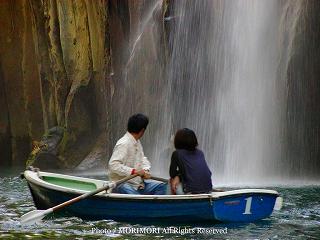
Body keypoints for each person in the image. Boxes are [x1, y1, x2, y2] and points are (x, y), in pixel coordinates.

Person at [108, 113, 167, 195]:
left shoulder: (137, 142)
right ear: (142, 130)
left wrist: (146, 170)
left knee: (162, 186)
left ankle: (152, 207)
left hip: (138, 185)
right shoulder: (123, 144)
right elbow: (113, 165)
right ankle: (142, 205)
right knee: (134, 194)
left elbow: (142, 159)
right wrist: (134, 171)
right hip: (121, 184)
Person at [169, 128, 212, 194]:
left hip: (190, 191)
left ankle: (173, 202)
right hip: (208, 190)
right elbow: (208, 173)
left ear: (178, 140)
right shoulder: (200, 153)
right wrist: (180, 176)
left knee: (171, 180)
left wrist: (178, 176)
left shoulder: (177, 153)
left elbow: (172, 173)